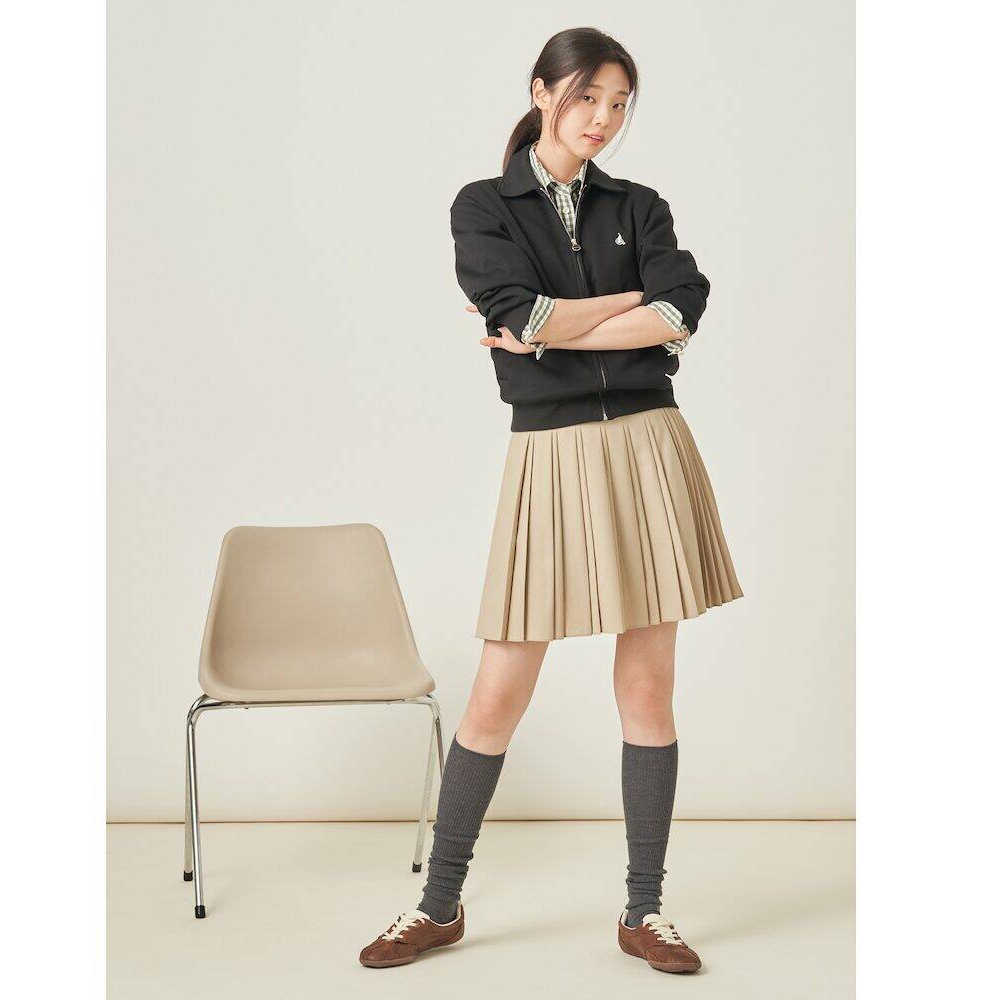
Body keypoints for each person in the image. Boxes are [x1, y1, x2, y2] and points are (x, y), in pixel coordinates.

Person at [359, 26, 743, 974]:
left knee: (647, 688)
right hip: (550, 453)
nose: (603, 119)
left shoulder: (639, 205)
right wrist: (617, 312)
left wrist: (556, 331)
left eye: (619, 104)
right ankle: (438, 904)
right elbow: (518, 311)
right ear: (542, 92)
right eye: (587, 98)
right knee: (500, 688)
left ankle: (645, 911)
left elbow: (682, 305)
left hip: (650, 445)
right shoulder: (484, 205)